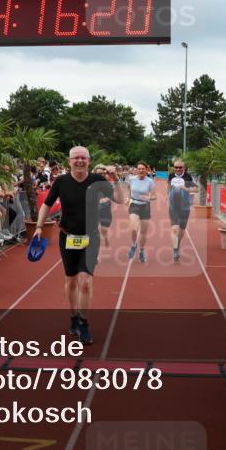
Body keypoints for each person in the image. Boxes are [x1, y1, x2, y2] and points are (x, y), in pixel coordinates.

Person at [33, 146, 124, 345]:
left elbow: (120, 199)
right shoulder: (61, 181)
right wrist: (39, 227)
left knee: (85, 282)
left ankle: (83, 322)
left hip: (91, 238)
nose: (80, 161)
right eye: (76, 158)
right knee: (71, 281)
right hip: (67, 237)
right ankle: (73, 315)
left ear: (89, 161)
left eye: (83, 157)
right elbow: (47, 204)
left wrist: (116, 179)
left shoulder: (97, 180)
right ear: (69, 161)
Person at [167, 159, 199, 262]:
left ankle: (178, 245)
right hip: (173, 206)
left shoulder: (188, 177)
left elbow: (196, 189)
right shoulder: (171, 176)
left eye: (180, 167)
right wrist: (168, 196)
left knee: (181, 231)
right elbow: (169, 187)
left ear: (183, 168)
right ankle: (175, 251)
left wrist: (186, 188)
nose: (178, 169)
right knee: (175, 229)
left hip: (185, 207)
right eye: (176, 167)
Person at [127, 162, 157, 263]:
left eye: (143, 168)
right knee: (133, 227)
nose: (141, 170)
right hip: (134, 204)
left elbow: (154, 196)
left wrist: (148, 197)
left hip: (145, 206)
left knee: (143, 232)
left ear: (146, 170)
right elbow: (128, 190)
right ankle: (133, 245)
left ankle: (141, 251)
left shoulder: (150, 181)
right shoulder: (131, 179)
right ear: (136, 170)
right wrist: (127, 198)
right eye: (139, 168)